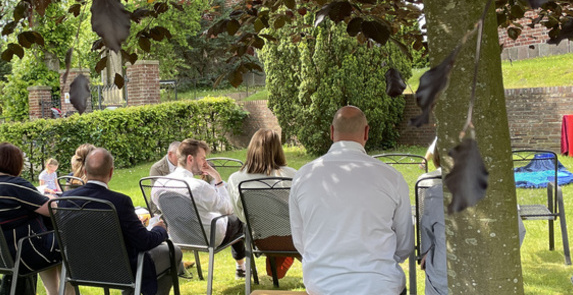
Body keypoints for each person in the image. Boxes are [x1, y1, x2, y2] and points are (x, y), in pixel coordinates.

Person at [289, 106, 413, 295]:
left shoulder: (303, 176)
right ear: (366, 132)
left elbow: (301, 242)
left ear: (331, 132)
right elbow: (404, 245)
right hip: (381, 286)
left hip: (323, 287)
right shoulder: (391, 177)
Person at [62, 148, 181, 295]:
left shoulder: (64, 199)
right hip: (121, 270)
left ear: (85, 172)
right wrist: (160, 229)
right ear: (111, 173)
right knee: (173, 251)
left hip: (79, 268)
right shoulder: (119, 201)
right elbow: (144, 241)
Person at [415, 149, 525, 295]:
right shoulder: (500, 192)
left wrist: (427, 253)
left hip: (445, 280)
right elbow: (518, 232)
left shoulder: (433, 193)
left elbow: (426, 238)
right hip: (488, 275)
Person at [0, 143, 71, 295]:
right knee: (66, 242)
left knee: (51, 241)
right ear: (16, 163)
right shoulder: (15, 185)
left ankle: (53, 292)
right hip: (22, 252)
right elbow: (51, 209)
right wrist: (50, 198)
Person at [150, 138, 248, 279]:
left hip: (179, 236)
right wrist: (218, 179)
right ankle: (242, 266)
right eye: (202, 158)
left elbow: (164, 209)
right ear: (190, 159)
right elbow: (228, 209)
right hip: (208, 237)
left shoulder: (160, 184)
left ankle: (242, 267)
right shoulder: (198, 186)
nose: (205, 163)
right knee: (239, 217)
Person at [225, 129, 297, 279]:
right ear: (278, 149)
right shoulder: (292, 175)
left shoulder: (236, 179)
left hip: (262, 240)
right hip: (296, 239)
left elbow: (241, 216)